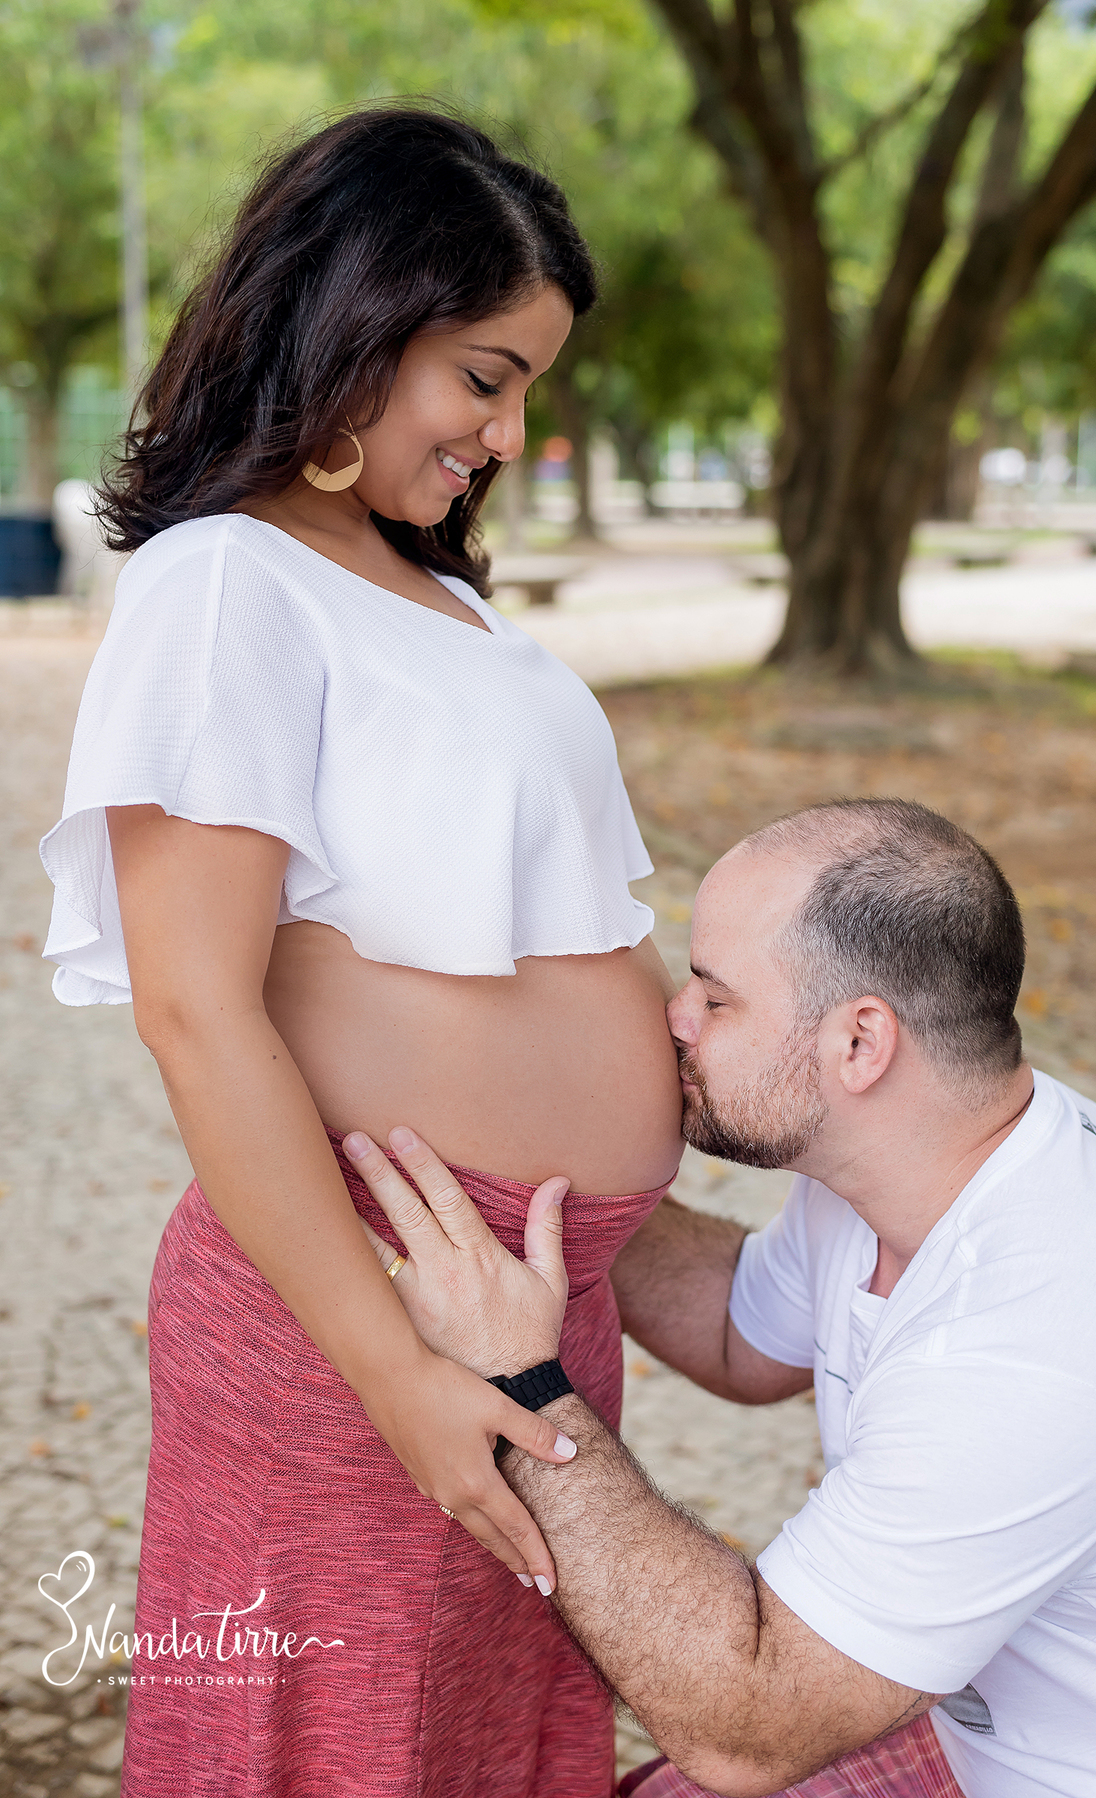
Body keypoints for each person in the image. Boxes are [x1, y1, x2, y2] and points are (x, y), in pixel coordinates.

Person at [38, 108, 683, 1797]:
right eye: (484, 375)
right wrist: (395, 1371)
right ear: (354, 320)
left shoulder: (442, 602)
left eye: (530, 385)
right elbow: (195, 1006)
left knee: (481, 1740)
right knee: (331, 1748)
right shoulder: (224, 587)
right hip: (360, 1311)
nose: (512, 429)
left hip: (539, 1303)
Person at [343, 798, 1096, 1798]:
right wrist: (540, 1176)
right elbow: (741, 1332)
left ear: (858, 1044)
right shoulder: (932, 1159)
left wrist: (517, 1369)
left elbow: (745, 1728)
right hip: (963, 1723)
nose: (675, 1016)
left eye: (715, 995)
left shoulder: (1030, 1348)